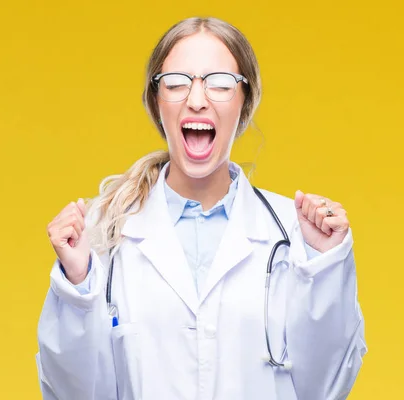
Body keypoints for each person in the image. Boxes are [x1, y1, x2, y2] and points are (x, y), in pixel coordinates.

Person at [35, 16, 367, 400]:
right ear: (156, 101)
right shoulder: (101, 234)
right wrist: (77, 287)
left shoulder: (294, 233)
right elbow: (72, 392)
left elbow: (326, 388)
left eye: (220, 83)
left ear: (245, 102)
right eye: (176, 82)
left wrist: (324, 269)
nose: (196, 99)